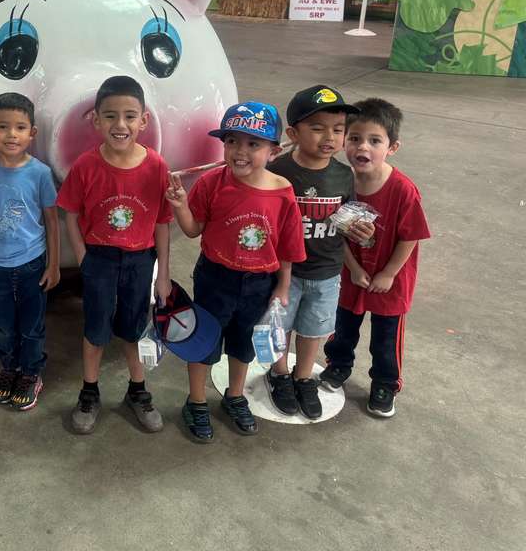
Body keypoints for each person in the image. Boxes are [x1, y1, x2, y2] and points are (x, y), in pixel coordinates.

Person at [167, 101, 305, 442]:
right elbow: (193, 229)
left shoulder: (283, 193)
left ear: (274, 150)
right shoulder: (212, 182)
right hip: (216, 277)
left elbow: (288, 248)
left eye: (253, 144)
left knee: (243, 345)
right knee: (204, 341)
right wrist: (182, 206)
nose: (240, 152)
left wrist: (283, 286)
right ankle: (196, 401)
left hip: (261, 282)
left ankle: (234, 395)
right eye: (232, 141)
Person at [57, 75, 172, 435]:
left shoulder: (157, 166)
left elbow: (163, 222)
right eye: (110, 116)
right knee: (96, 329)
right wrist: (83, 257)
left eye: (129, 116)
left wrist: (163, 272)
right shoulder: (86, 166)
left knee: (134, 328)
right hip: (100, 260)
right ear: (95, 119)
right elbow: (71, 213)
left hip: (141, 261)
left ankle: (137, 392)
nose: (119, 125)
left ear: (144, 120)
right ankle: (89, 392)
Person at [321, 98, 430, 418]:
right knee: (342, 328)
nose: (362, 147)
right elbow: (334, 232)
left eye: (374, 140)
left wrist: (388, 274)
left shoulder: (402, 190)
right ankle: (338, 365)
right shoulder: (340, 181)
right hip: (351, 274)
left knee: (386, 337)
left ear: (392, 147)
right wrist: (353, 268)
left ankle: (385, 382)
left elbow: (410, 236)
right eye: (354, 138)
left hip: (391, 279)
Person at [264, 85, 367, 419]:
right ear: (293, 133)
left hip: (327, 271)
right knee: (281, 327)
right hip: (284, 273)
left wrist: (360, 229)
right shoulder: (277, 171)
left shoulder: (343, 174)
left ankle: (303, 377)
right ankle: (279, 374)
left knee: (314, 329)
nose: (330, 137)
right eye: (318, 128)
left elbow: (346, 216)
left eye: (338, 130)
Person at [0, 93, 60, 411]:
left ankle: (31, 373)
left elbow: (51, 221)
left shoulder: (41, 173)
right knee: (5, 324)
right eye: (3, 127)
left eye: (20, 127)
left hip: (32, 262)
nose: (11, 134)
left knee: (32, 325)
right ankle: (10, 369)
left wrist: (55, 264)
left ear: (32, 133)